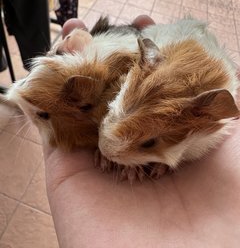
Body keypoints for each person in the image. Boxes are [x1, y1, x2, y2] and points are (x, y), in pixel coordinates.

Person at [44, 17, 240, 248]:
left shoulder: (210, 121)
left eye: (148, 143)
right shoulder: (148, 60)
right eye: (113, 108)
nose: (105, 149)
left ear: (206, 118)